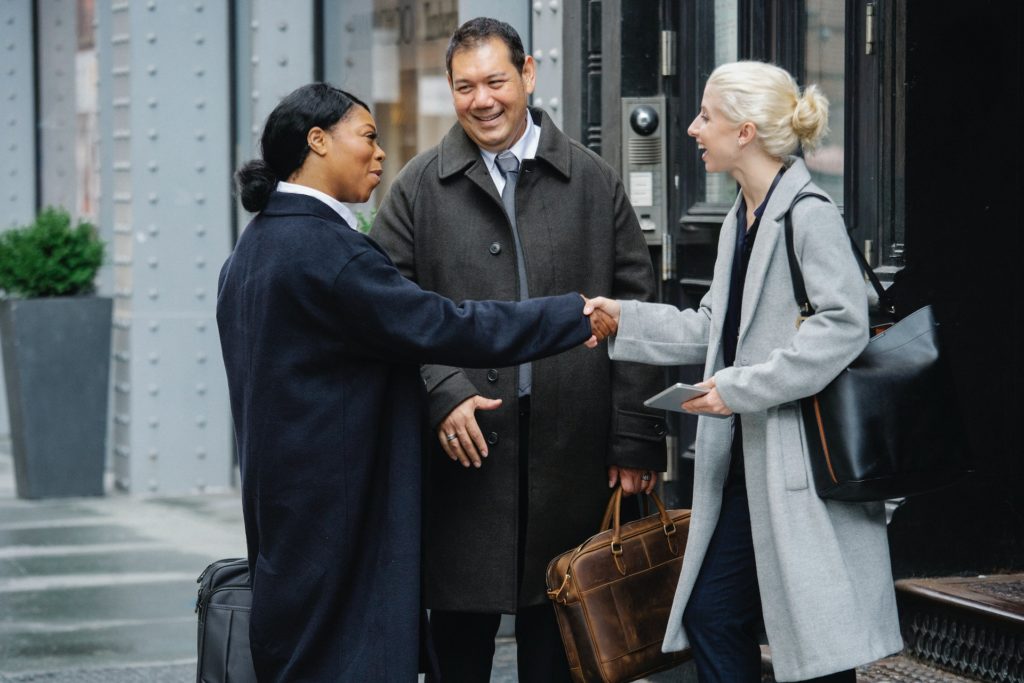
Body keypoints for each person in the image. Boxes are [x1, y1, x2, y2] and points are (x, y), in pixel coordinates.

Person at [216, 83, 615, 682]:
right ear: (318, 141)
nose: (380, 154)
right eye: (368, 137)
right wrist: (567, 314)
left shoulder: (253, 249)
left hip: (287, 510)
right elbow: (442, 325)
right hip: (345, 512)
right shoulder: (328, 253)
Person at [584, 61, 904, 682]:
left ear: (746, 131)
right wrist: (625, 318)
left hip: (800, 467)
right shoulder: (743, 216)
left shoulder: (808, 213)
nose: (694, 129)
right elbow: (714, 327)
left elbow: (843, 327)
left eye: (707, 116)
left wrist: (737, 390)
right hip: (746, 466)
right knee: (713, 616)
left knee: (817, 645)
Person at [371, 17, 666, 683]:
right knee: (457, 656)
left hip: (575, 454)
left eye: (496, 80)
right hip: (461, 466)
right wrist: (442, 392)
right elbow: (385, 311)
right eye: (465, 86)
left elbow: (637, 309)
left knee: (562, 652)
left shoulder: (593, 180)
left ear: (528, 74)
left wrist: (635, 439)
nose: (483, 100)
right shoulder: (418, 188)